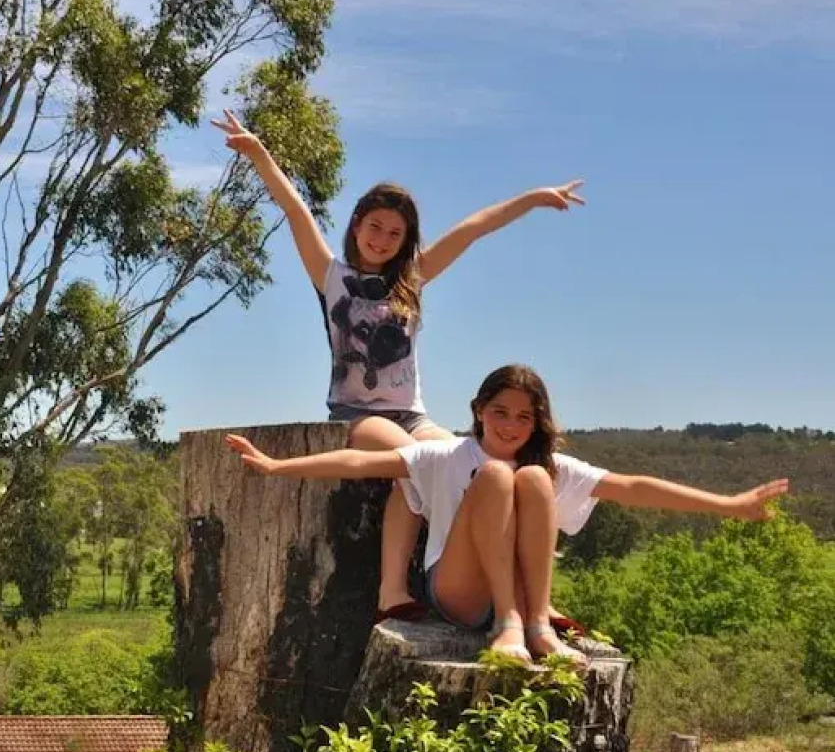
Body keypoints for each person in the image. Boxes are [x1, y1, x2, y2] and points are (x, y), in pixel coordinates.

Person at [212, 110, 585, 622]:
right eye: (375, 227)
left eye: (394, 233)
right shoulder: (331, 275)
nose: (383, 239)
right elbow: (294, 208)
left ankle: (521, 591)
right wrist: (258, 153)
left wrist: (534, 199)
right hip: (356, 413)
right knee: (415, 464)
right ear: (358, 227)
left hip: (410, 411)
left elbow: (473, 229)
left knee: (476, 463)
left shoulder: (413, 277)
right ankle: (392, 590)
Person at [223, 364, 789, 665]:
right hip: (459, 589)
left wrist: (729, 506)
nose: (512, 425)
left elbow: (633, 487)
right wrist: (277, 468)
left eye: (524, 415)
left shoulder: (547, 464)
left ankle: (534, 624)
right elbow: (357, 459)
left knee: (533, 478)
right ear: (478, 411)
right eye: (500, 412)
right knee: (496, 475)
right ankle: (508, 627)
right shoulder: (449, 456)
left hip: (518, 589)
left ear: (537, 420)